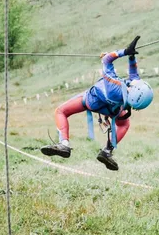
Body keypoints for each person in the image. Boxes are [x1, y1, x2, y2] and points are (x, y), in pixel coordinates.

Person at [40, 36, 153, 171]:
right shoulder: (132, 99)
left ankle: (64, 144)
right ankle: (107, 151)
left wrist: (124, 51)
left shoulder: (115, 87)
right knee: (124, 124)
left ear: (135, 89)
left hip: (91, 101)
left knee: (61, 111)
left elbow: (107, 60)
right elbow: (134, 76)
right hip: (113, 110)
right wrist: (131, 55)